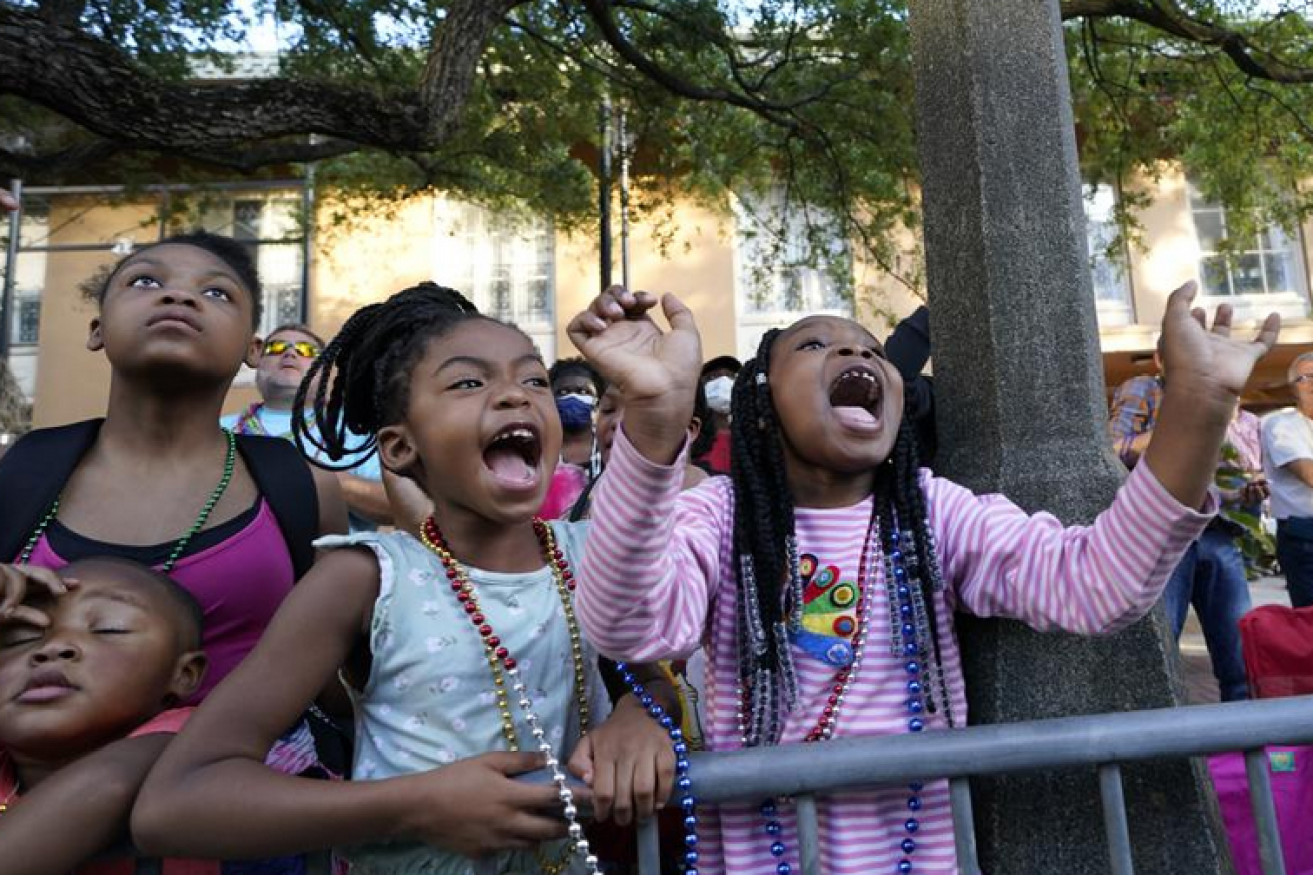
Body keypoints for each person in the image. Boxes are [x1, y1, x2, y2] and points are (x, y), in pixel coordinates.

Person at [569, 282, 1277, 874]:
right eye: (814, 345)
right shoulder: (716, 515)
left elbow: (1098, 584)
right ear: (758, 408)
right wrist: (655, 422)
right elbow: (628, 623)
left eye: (871, 349)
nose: (854, 351)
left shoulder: (934, 511)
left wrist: (1197, 409)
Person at [133, 283, 681, 874]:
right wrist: (413, 806)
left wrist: (642, 716)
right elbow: (176, 802)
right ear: (399, 448)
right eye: (468, 383)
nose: (513, 399)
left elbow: (648, 676)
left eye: (534, 381)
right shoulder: (364, 579)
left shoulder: (593, 556)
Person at [0, 557, 209, 875]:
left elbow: (108, 784)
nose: (53, 647)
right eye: (21, 637)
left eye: (110, 628)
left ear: (184, 674)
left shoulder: (175, 741)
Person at [1107, 341, 1262, 701]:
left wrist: (1245, 493)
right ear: (1162, 359)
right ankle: (1166, 752)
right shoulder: (1144, 388)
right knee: (1162, 650)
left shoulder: (1220, 399)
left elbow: (1222, 475)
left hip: (1218, 532)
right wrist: (1181, 428)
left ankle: (1243, 752)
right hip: (1166, 537)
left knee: (1237, 657)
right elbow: (1114, 448)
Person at [223, 323, 391, 531]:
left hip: (336, 560)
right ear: (257, 361)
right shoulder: (218, 429)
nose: (290, 353)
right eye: (275, 347)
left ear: (324, 369)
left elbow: (395, 507)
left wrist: (317, 478)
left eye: (306, 350)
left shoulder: (357, 429)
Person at [1261, 351, 1313, 609]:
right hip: (1305, 535)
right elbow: (1309, 474)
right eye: (1306, 377)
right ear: (1294, 388)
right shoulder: (1281, 425)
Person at [694, 355, 740, 475]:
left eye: (730, 376)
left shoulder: (747, 439)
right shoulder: (691, 439)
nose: (724, 381)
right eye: (714, 376)